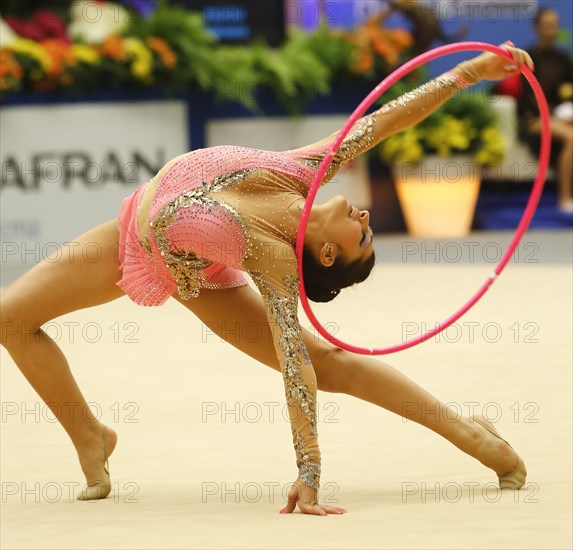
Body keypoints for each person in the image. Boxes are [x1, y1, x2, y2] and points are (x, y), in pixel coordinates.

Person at [0, 43, 531, 515]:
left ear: (325, 253)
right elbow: (387, 120)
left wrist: (310, 471)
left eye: (360, 239)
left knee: (323, 361)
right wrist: (470, 72)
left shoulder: (273, 257)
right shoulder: (302, 172)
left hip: (189, 265)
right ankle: (90, 436)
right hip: (130, 227)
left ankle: (475, 439)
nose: (367, 221)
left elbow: (295, 368)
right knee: (10, 320)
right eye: (369, 231)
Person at [518, 7, 573, 213]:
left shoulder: (563, 58)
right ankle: (565, 198)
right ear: (537, 28)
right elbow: (530, 97)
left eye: (555, 25)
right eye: (548, 25)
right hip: (534, 120)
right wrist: (553, 116)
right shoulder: (528, 57)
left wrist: (566, 112)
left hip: (562, 116)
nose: (553, 30)